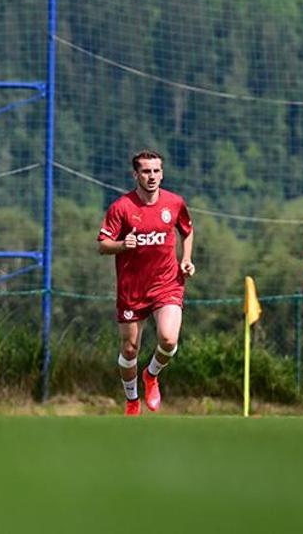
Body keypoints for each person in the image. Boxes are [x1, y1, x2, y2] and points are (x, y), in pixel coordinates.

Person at [97, 149, 194, 416]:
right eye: (146, 171)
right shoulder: (122, 207)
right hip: (132, 290)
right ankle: (131, 400)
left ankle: (151, 376)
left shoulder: (174, 203)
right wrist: (120, 244)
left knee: (168, 338)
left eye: (156, 171)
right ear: (135, 174)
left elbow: (187, 230)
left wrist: (186, 259)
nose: (151, 176)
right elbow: (102, 245)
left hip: (167, 284)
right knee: (129, 349)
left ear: (162, 173)